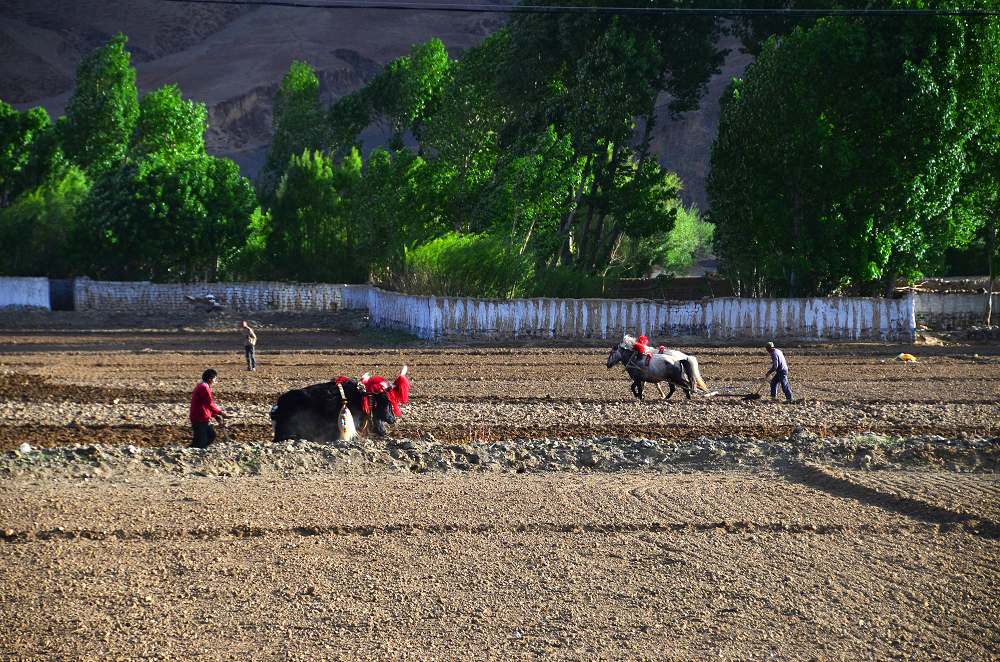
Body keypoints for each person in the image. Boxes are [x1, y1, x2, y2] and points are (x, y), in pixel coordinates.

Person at [190, 368, 227, 448]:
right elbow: (209, 403)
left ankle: (191, 452)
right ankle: (194, 453)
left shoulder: (203, 386)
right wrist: (220, 412)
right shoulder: (204, 388)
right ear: (210, 379)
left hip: (202, 417)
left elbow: (206, 404)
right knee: (202, 442)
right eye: (215, 379)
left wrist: (214, 415)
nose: (215, 381)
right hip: (199, 418)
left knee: (211, 436)